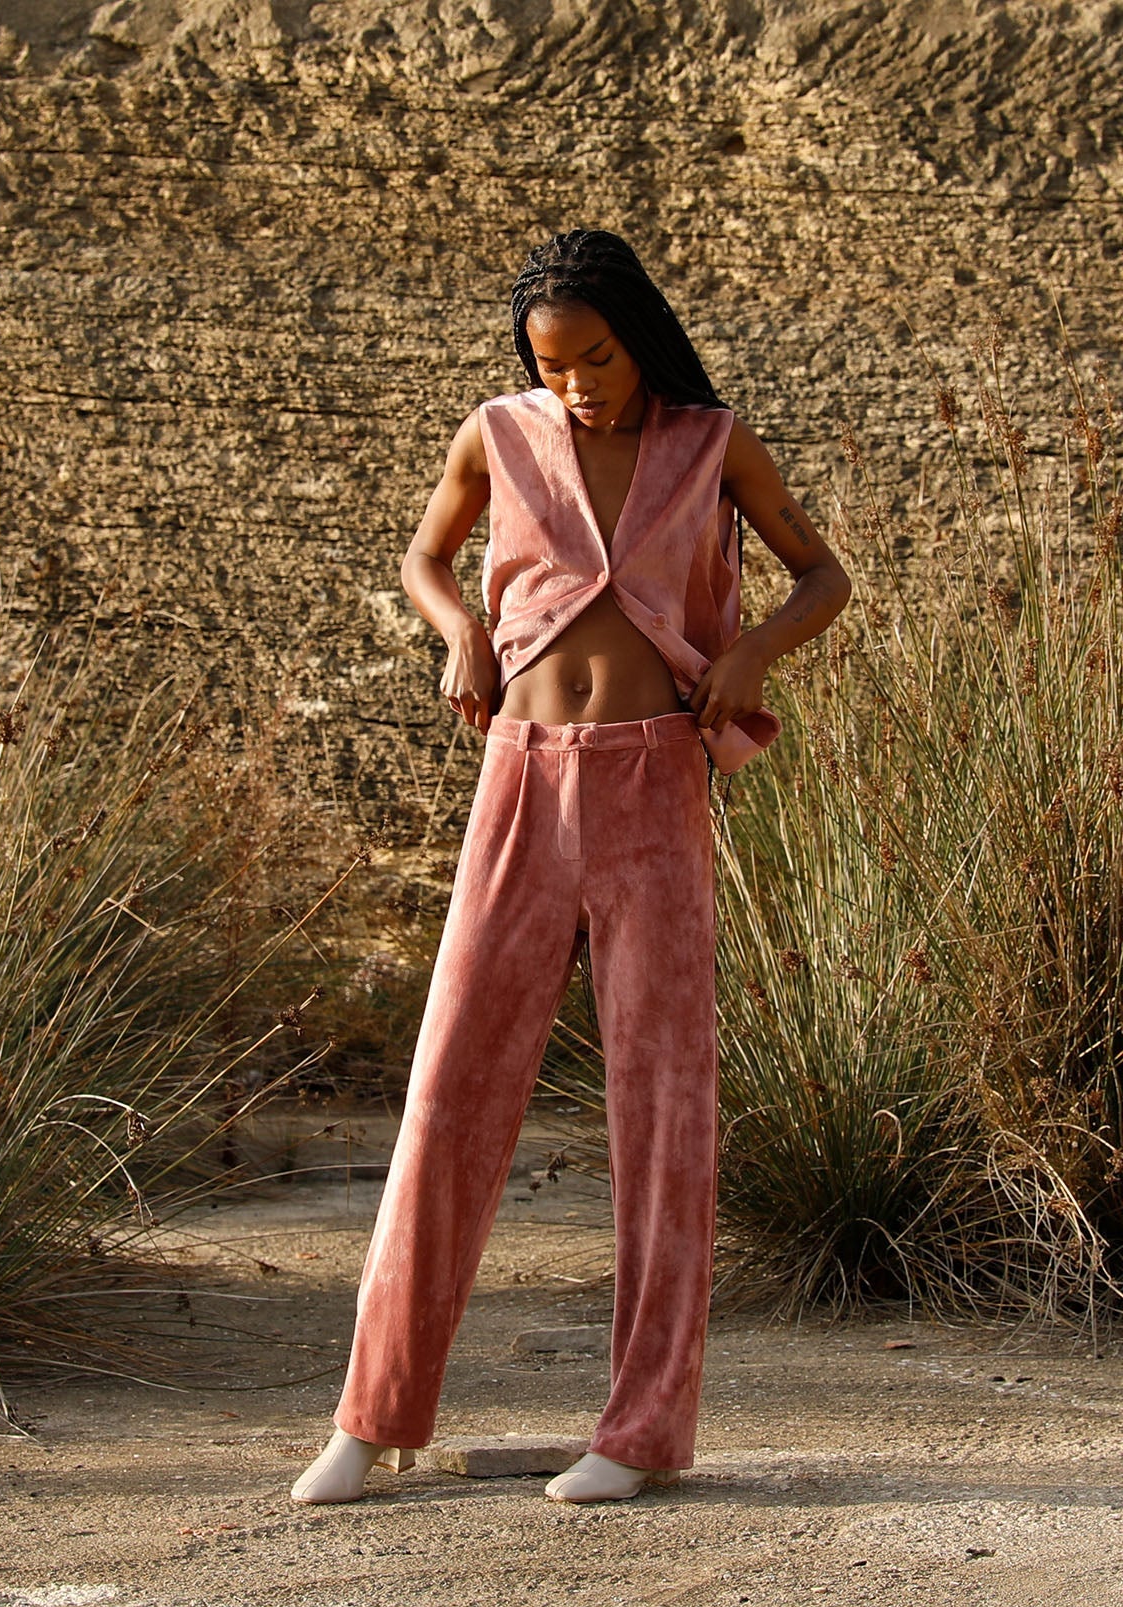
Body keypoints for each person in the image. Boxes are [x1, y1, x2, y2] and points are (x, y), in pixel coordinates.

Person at [291, 229, 850, 1506]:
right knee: (450, 1085)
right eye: (552, 364)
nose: (577, 384)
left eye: (596, 357)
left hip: (656, 782)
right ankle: (372, 1416)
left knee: (663, 1105)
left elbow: (824, 577)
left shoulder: (713, 444)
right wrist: (457, 632)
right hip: (522, 777)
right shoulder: (497, 432)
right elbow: (425, 557)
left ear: (637, 338)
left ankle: (642, 1431)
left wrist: (753, 653)